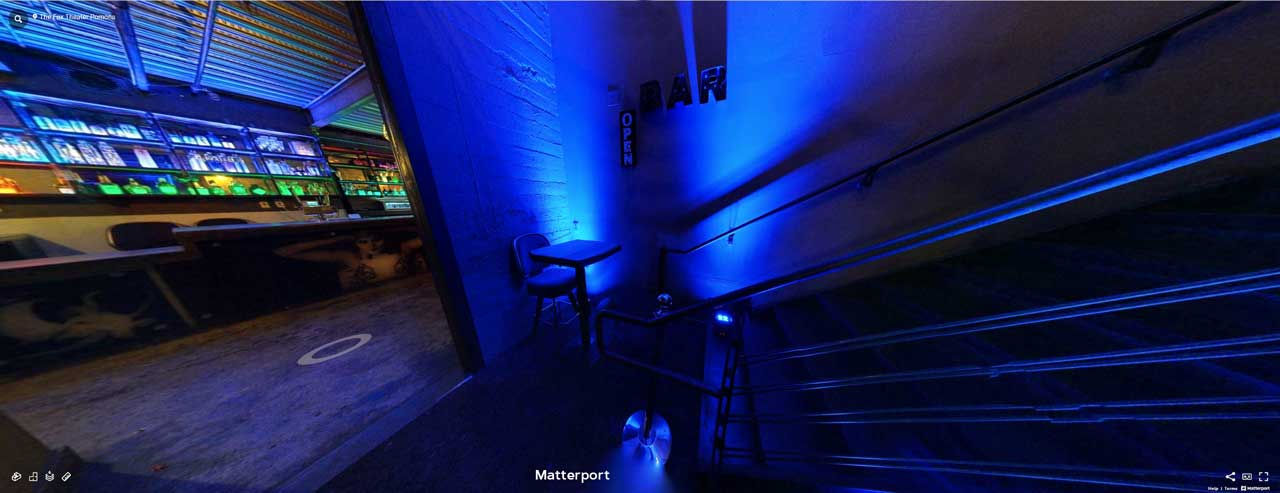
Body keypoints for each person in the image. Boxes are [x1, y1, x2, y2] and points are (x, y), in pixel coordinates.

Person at [272, 231, 424, 290]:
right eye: (363, 242)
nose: (371, 245)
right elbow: (284, 252)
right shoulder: (349, 258)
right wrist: (336, 239)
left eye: (376, 239)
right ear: (356, 243)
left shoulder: (402, 249)